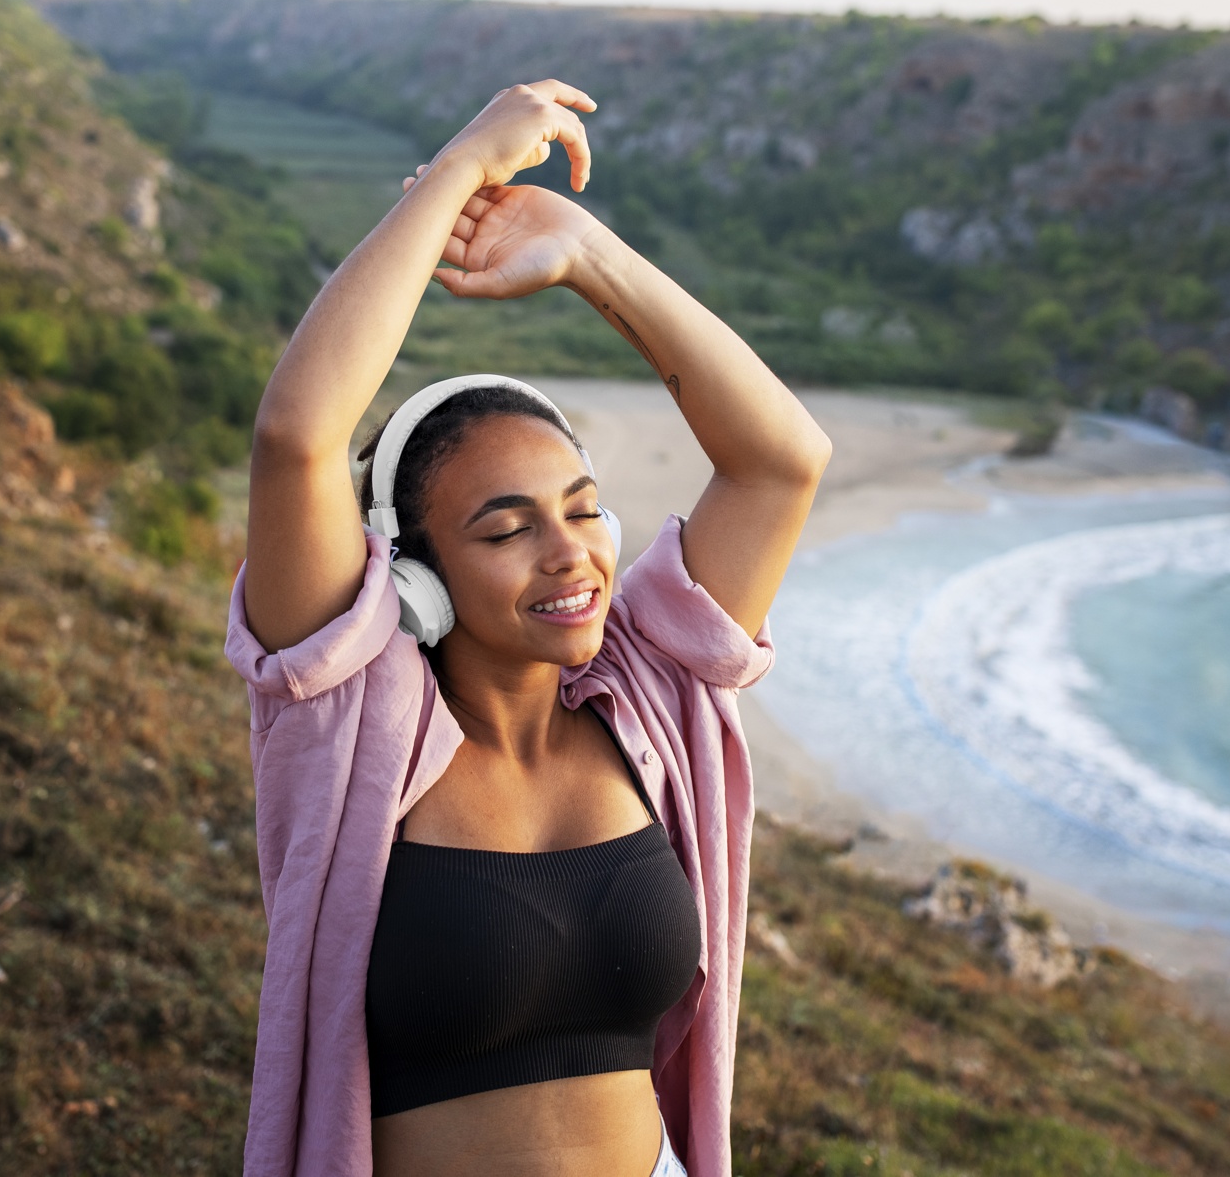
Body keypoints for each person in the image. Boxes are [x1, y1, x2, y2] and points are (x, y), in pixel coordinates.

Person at [226, 80, 831, 1177]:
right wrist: (460, 168)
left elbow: (781, 461)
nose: (569, 554)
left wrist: (584, 250)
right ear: (411, 574)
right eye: (506, 529)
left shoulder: (649, 693)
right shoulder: (351, 723)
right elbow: (295, 438)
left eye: (583, 509)